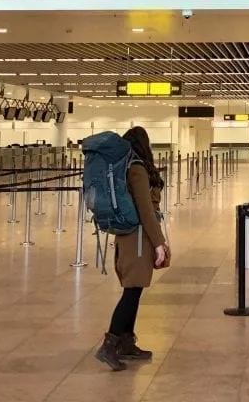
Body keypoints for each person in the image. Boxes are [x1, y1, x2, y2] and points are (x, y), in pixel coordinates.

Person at [95, 126, 169, 371]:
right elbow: (146, 211)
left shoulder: (129, 167)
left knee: (135, 291)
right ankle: (109, 344)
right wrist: (159, 243)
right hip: (137, 239)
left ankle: (126, 342)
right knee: (131, 292)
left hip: (133, 237)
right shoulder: (136, 169)